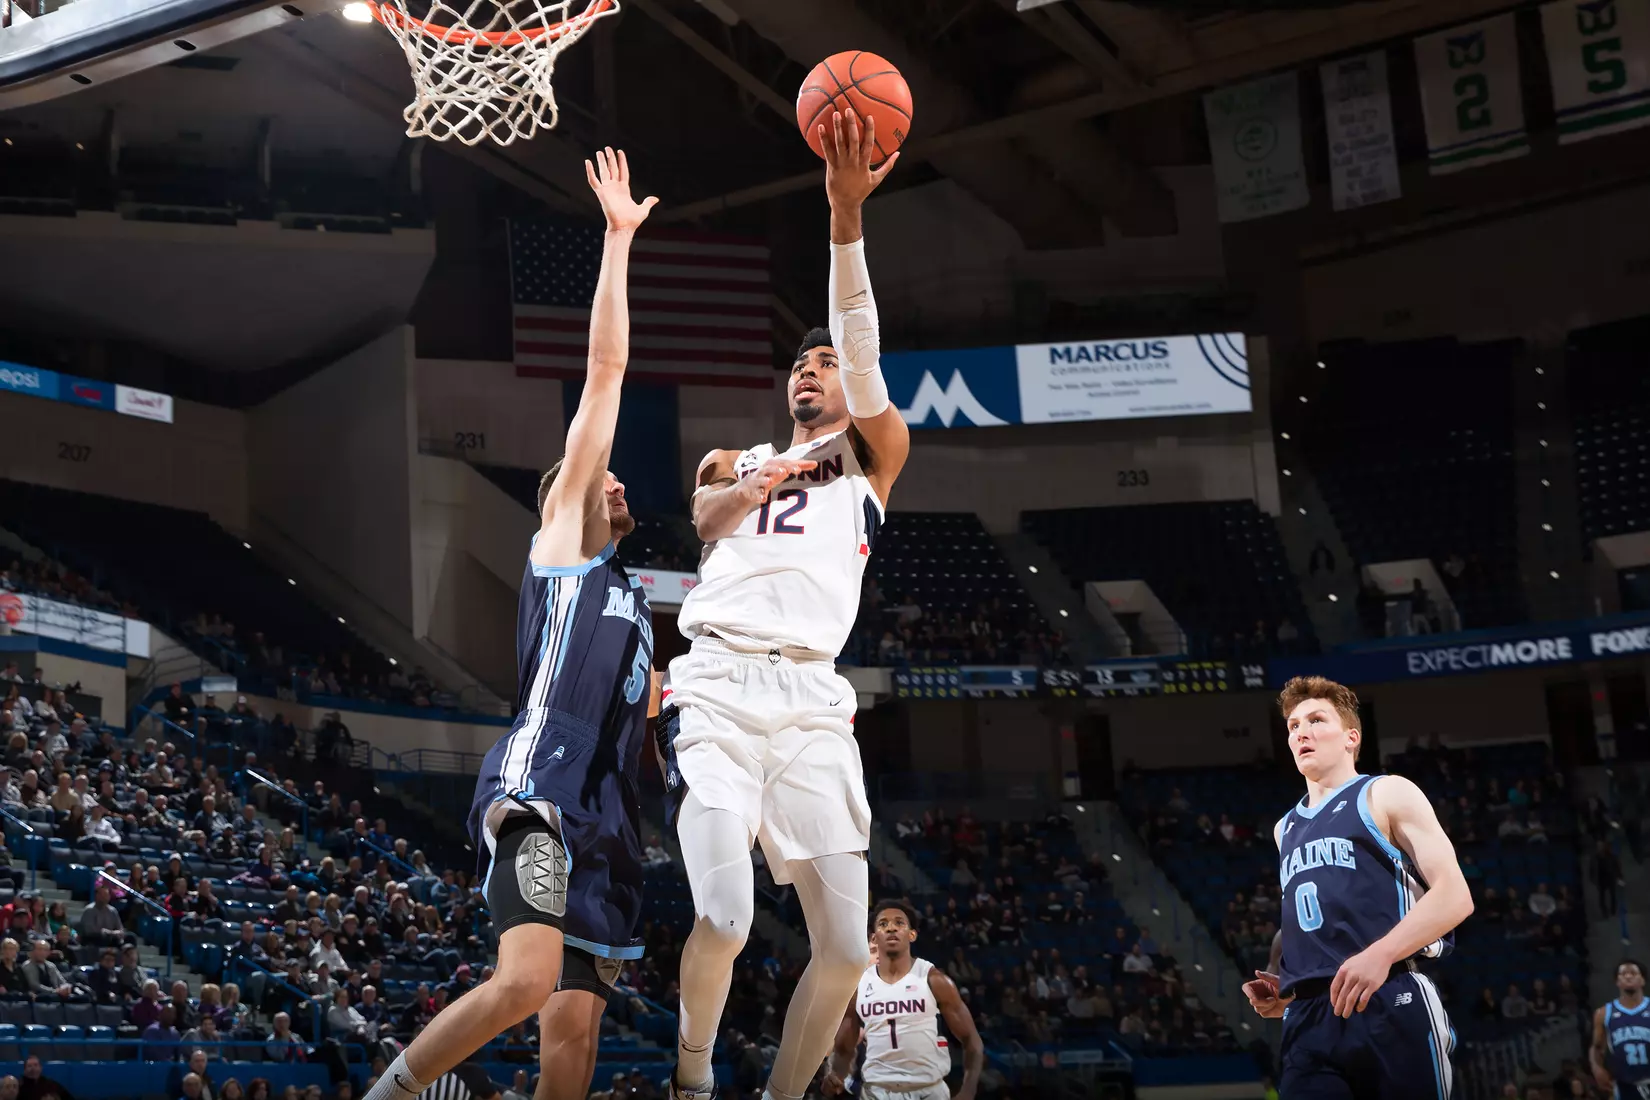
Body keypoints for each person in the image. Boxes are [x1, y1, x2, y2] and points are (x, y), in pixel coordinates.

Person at [364, 148, 659, 1100]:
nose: (612, 477)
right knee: (525, 981)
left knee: (572, 1041)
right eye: (591, 475)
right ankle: (397, 1089)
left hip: (610, 818)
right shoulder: (564, 547)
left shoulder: (636, 604)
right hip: (542, 782)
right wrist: (617, 242)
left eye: (609, 479)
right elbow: (606, 370)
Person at [664, 106, 909, 1100]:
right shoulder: (736, 458)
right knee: (722, 919)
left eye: (826, 366)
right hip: (720, 682)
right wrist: (755, 481)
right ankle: (690, 1074)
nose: (811, 371)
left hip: (812, 700)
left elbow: (859, 342)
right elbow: (707, 517)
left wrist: (844, 222)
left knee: (847, 948)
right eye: (798, 365)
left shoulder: (872, 457)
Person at [1241, 676, 1473, 1098]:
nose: (1300, 732)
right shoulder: (1284, 828)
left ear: (1351, 737)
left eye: (1315, 720)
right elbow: (1303, 918)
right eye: (1293, 725)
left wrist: (1380, 955)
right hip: (1309, 1016)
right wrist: (1281, 978)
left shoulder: (1386, 792)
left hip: (1389, 997)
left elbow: (1455, 896)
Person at [823, 902, 981, 1100]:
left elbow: (971, 1039)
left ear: (912, 935)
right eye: (883, 924)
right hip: (877, 1090)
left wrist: (968, 1090)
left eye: (899, 923)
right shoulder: (857, 990)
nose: (891, 927)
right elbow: (843, 1048)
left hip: (928, 1089)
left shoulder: (934, 980)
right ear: (874, 937)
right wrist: (834, 1074)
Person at [1591, 959, 1649, 1098]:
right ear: (1617, 982)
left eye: (1633, 973)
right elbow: (1597, 1047)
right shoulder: (1604, 1013)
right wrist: (1596, 1067)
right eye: (1623, 974)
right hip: (1625, 1085)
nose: (1628, 976)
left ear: (1642, 980)